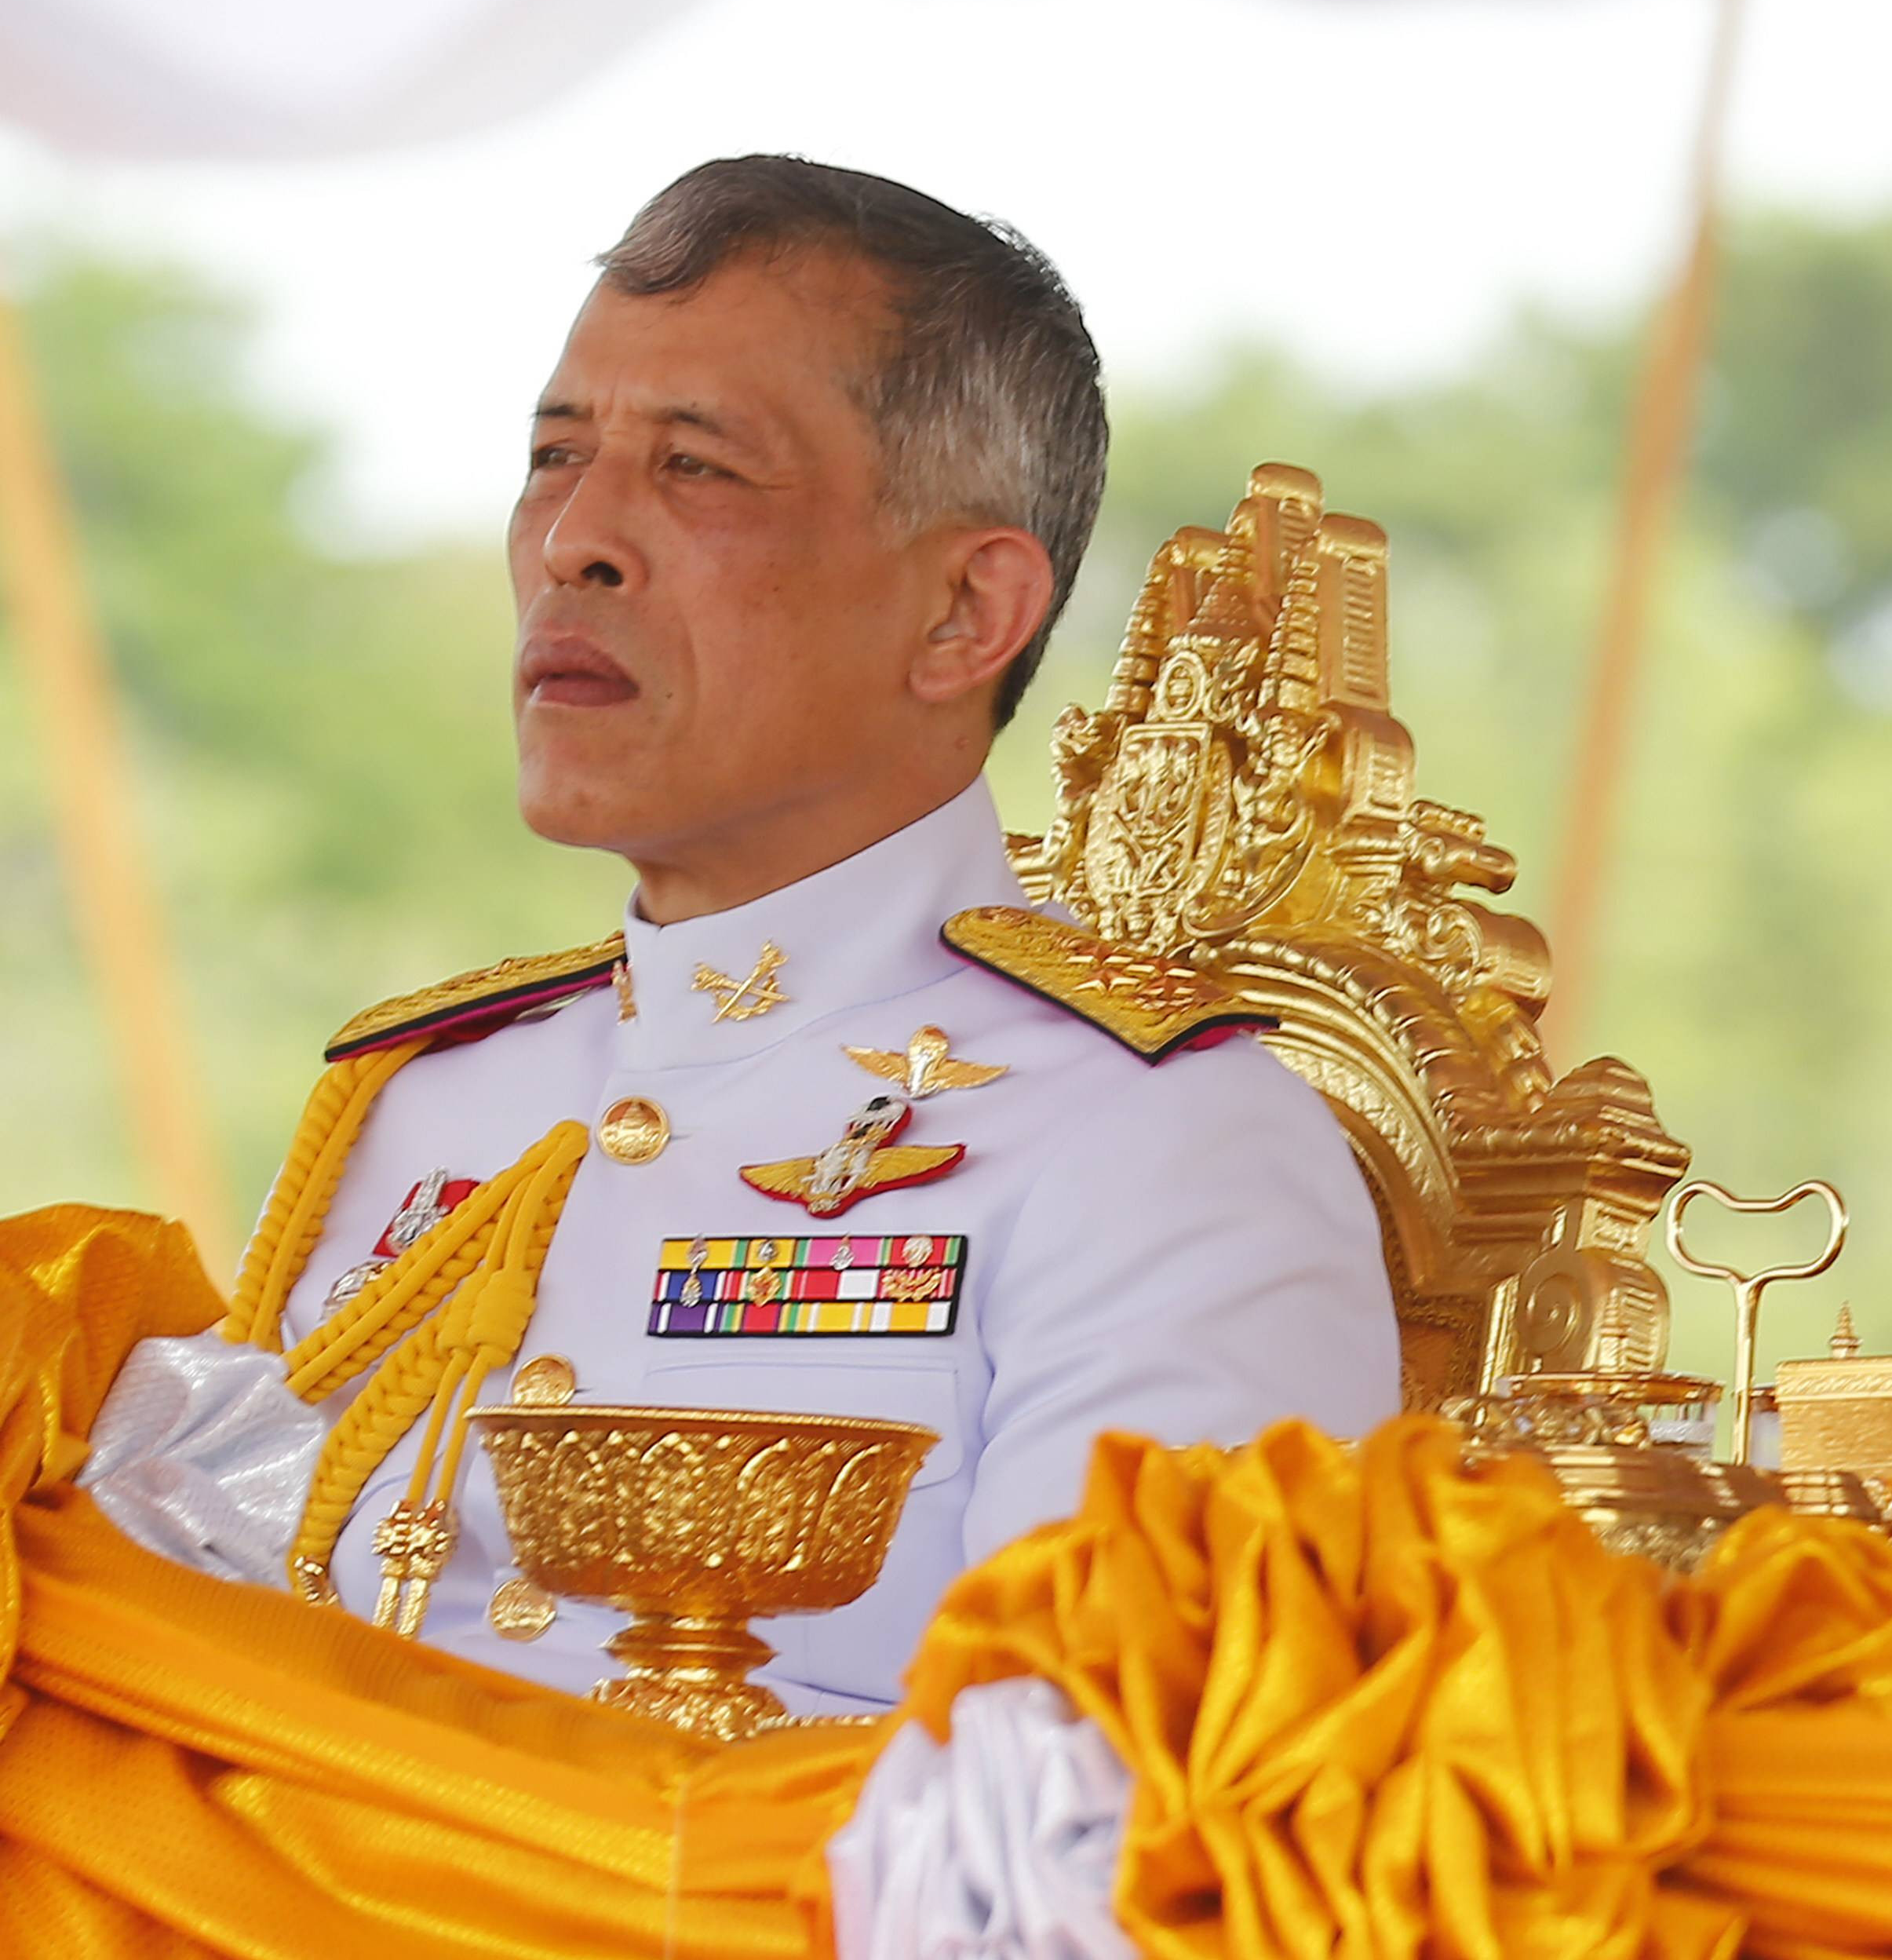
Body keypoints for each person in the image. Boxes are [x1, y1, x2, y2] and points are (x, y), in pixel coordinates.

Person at [195, 156, 1400, 1714]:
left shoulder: (1158, 1144)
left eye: (697, 469)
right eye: (554, 456)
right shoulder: (419, 1100)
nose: (573, 539)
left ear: (964, 614)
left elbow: (1093, 1801)